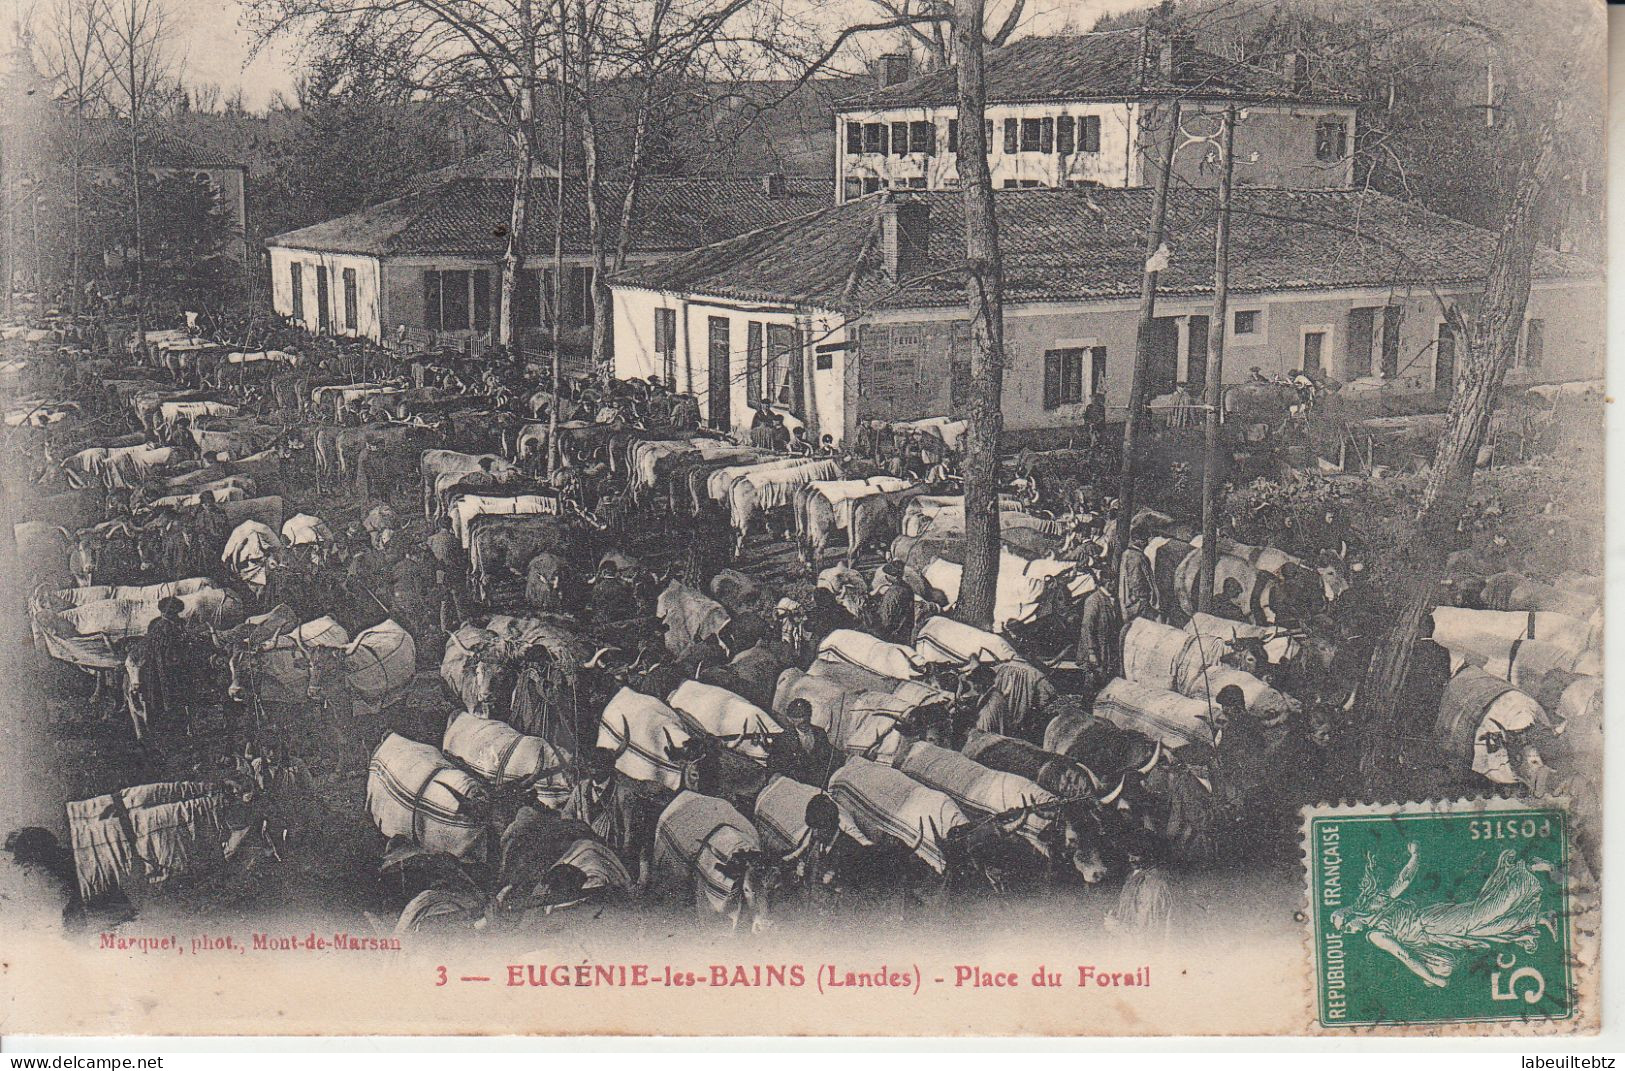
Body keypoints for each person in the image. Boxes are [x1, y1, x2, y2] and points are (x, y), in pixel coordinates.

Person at [136, 596, 191, 741]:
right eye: (171, 613)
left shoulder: (180, 623)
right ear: (164, 613)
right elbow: (158, 646)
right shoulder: (157, 625)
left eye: (176, 613)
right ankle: (164, 729)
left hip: (177, 663)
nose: (174, 616)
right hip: (161, 665)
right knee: (162, 695)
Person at [769, 699, 842, 789]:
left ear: (810, 715)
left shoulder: (820, 733)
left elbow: (830, 753)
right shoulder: (783, 739)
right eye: (798, 717)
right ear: (790, 718)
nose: (803, 720)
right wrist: (775, 774)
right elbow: (774, 763)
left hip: (820, 785)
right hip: (797, 787)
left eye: (805, 715)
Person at [1075, 575, 1122, 689]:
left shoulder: (1113, 600)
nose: (1116, 585)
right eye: (1113, 581)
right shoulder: (1093, 600)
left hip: (1107, 649)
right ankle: (1086, 706)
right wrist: (1091, 652)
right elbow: (1087, 628)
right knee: (1093, 681)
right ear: (1107, 582)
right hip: (1096, 650)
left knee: (1106, 682)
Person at [1118, 525, 1160, 624]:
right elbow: (1143, 580)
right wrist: (1151, 599)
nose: (1146, 543)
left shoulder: (1126, 554)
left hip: (1128, 602)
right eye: (1144, 540)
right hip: (1140, 602)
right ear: (1137, 540)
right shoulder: (1140, 557)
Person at [870, 561, 916, 644]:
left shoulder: (893, 592)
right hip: (906, 631)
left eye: (888, 574)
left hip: (893, 636)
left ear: (894, 576)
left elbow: (886, 618)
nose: (886, 576)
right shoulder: (907, 587)